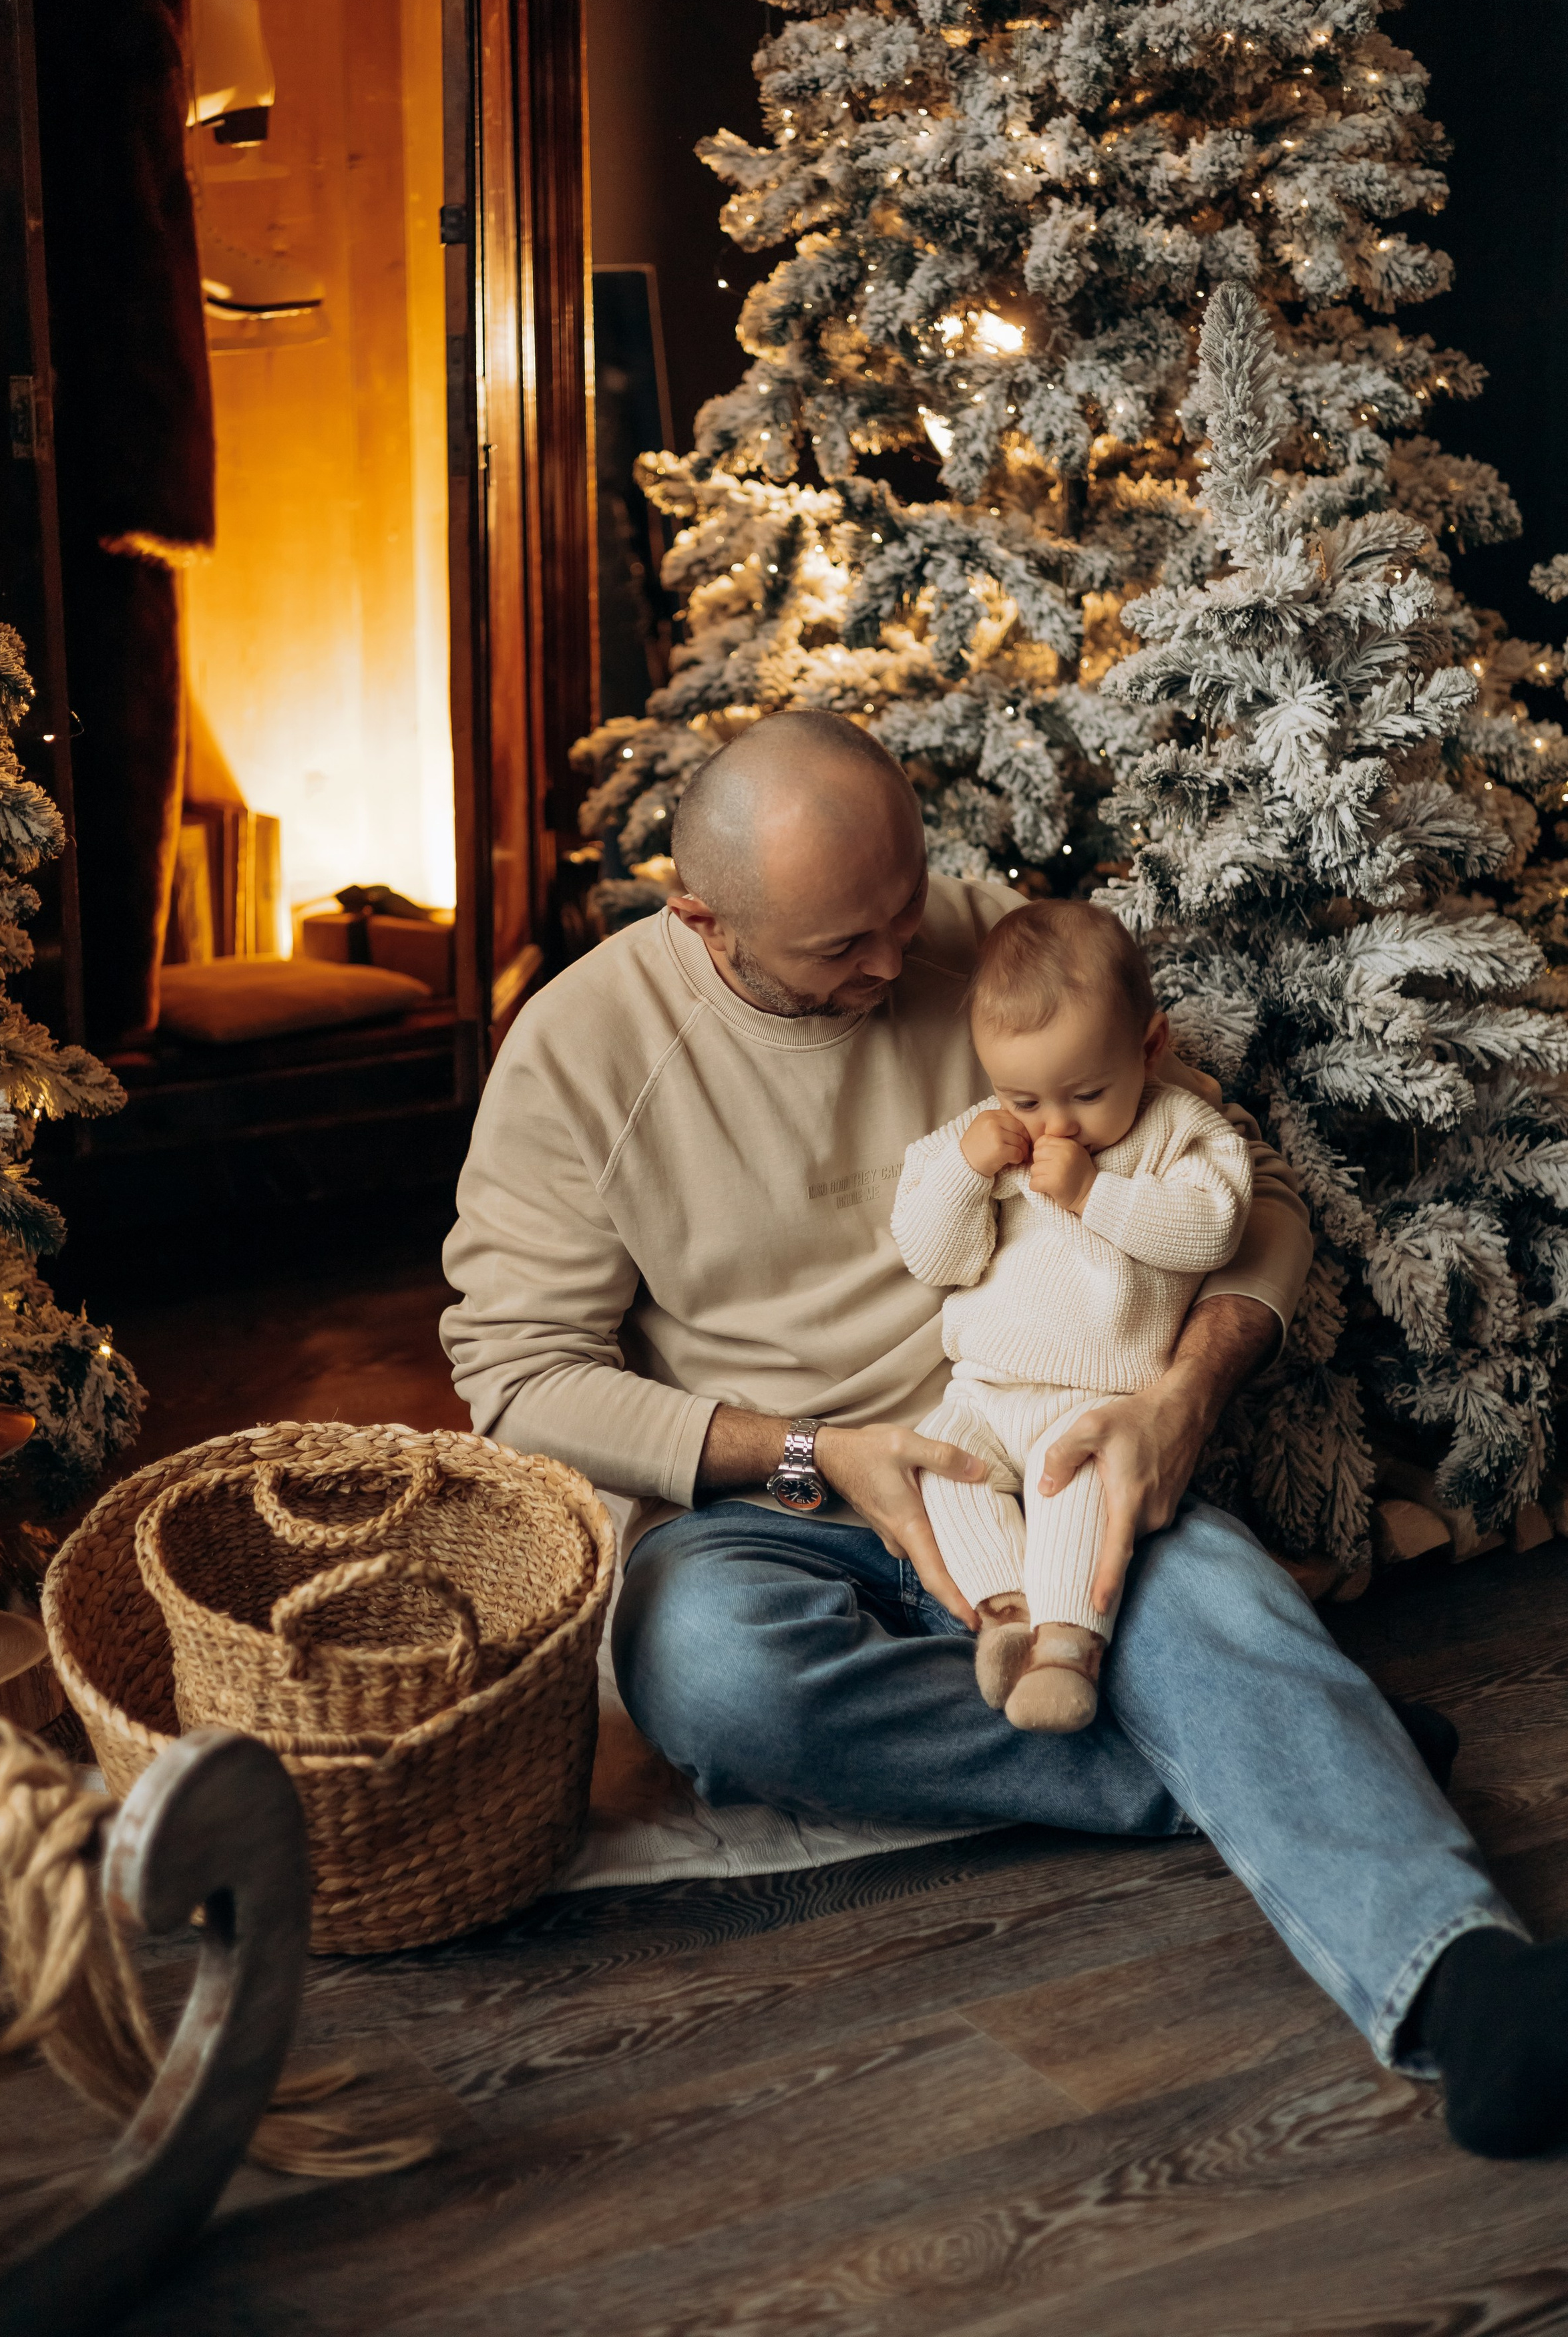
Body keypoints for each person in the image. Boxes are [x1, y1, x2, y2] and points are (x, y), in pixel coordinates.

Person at [442, 710, 1568, 2159]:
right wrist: (815, 1456)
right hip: (771, 1497)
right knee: (700, 1670)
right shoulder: (581, 1054)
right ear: (701, 920)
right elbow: (517, 1378)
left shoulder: (998, 955)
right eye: (841, 946)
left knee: (1201, 1589)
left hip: (1040, 1448)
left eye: (904, 908)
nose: (889, 963)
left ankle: (1464, 1988)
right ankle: (1250, 1761)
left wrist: (1180, 1400)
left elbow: (1253, 1202)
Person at [893, 898, 1252, 1728]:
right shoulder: (977, 1139)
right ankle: (1004, 1617)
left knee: (1076, 1494)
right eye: (1022, 1099)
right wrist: (964, 1174)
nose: (1054, 1124)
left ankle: (1067, 1647)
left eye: (1087, 1093)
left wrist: (1095, 1194)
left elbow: (1212, 1229)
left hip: (1098, 1400)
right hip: (983, 1389)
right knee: (941, 1468)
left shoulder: (1177, 1130)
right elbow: (933, 1258)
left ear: (1149, 1045)